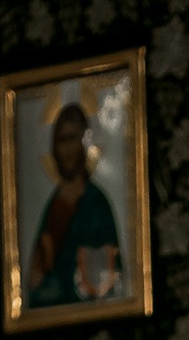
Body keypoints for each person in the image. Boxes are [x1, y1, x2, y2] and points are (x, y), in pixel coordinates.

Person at [23, 103, 122, 309]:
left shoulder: (96, 202)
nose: (67, 149)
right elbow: (36, 276)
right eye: (61, 140)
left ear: (84, 144)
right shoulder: (53, 205)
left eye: (73, 139)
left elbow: (108, 275)